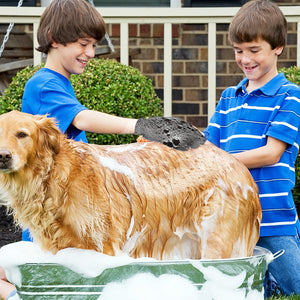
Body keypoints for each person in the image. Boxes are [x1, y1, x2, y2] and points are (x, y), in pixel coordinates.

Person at [0, 0, 205, 299]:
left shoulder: (59, 83)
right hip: (55, 221)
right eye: (83, 44)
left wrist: (136, 149)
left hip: (67, 216)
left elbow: (84, 150)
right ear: (55, 40)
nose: (91, 54)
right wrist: (140, 125)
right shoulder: (44, 84)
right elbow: (82, 118)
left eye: (94, 45)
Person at [204, 0, 300, 297]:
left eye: (254, 50)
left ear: (278, 47)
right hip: (232, 220)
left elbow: (271, 153)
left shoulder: (290, 96)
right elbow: (206, 150)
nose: (245, 58)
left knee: (296, 287)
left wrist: (220, 161)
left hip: (274, 220)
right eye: (238, 50)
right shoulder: (228, 98)